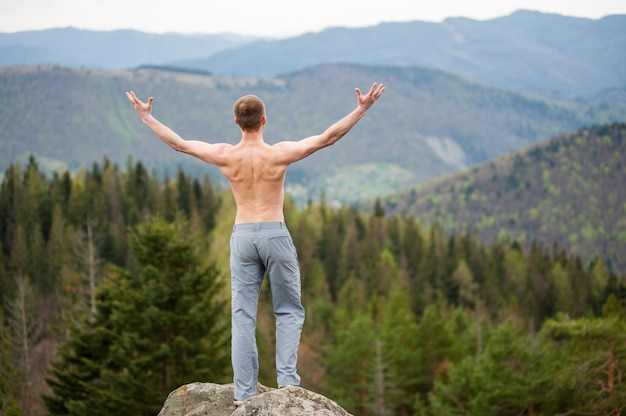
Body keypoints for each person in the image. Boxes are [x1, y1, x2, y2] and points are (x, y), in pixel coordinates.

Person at [125, 82, 385, 402]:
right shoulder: (278, 154)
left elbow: (179, 144)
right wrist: (361, 108)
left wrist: (146, 117)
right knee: (288, 309)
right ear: (264, 121)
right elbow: (328, 137)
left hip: (243, 236)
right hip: (275, 233)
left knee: (243, 316)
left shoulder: (226, 155)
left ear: (236, 123)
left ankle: (245, 394)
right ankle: (288, 384)